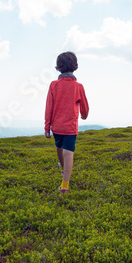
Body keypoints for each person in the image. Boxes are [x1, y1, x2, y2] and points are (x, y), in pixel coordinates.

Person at [44, 51, 90, 193]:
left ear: (58, 67)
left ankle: (64, 170)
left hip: (56, 126)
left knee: (59, 148)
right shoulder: (78, 87)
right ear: (75, 66)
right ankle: (65, 185)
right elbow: (85, 107)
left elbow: (49, 106)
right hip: (70, 126)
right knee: (68, 152)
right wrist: (84, 115)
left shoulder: (53, 85)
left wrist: (47, 127)